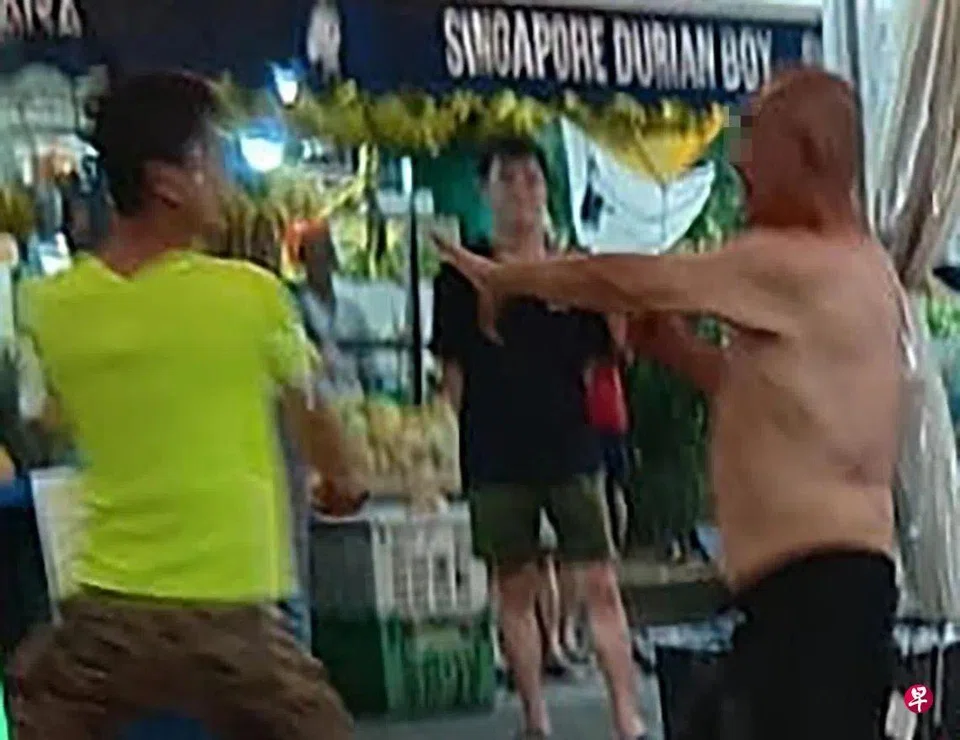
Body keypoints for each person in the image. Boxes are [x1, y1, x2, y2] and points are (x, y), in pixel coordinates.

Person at [437, 68, 901, 740]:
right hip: (821, 600)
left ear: (810, 151)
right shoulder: (864, 270)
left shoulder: (790, 261)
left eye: (754, 139)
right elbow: (783, 398)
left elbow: (633, 277)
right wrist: (679, 354)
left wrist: (511, 278)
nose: (738, 160)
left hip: (818, 603)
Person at [9, 71, 362, 739]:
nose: (226, 177)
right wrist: (344, 483)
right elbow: (318, 425)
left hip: (104, 623)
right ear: (168, 182)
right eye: (213, 157)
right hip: (232, 623)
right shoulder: (252, 298)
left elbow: (46, 418)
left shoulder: (48, 306)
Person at [431, 137, 646, 740]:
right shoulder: (457, 277)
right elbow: (453, 375)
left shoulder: (574, 270)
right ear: (486, 191)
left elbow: (603, 360)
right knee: (514, 587)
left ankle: (627, 716)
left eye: (532, 180)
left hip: (571, 445)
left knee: (600, 582)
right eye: (508, 180)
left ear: (548, 191)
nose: (522, 192)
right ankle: (534, 719)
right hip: (494, 453)